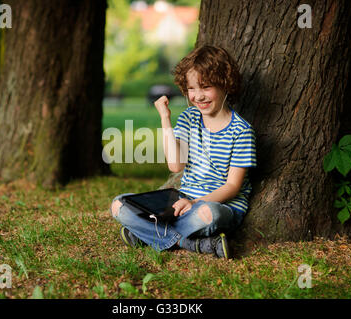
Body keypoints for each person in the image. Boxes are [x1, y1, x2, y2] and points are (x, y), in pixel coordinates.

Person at [110, 45, 257, 259]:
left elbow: (232, 186)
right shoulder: (189, 118)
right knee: (119, 205)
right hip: (182, 201)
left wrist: (195, 203)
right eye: (192, 89)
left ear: (225, 84)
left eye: (205, 87)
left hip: (218, 205)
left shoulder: (241, 130)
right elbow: (175, 165)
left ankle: (148, 235)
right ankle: (191, 242)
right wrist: (165, 118)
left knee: (209, 215)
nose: (198, 96)